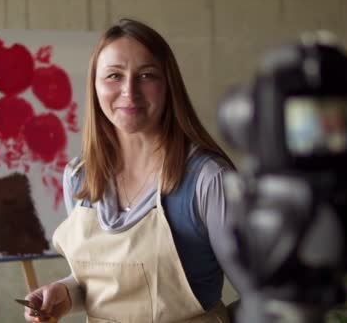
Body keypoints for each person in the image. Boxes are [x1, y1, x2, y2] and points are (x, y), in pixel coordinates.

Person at [23, 18, 239, 323]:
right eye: (114, 76)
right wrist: (66, 293)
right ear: (95, 86)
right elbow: (104, 284)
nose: (129, 91)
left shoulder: (209, 180)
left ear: (168, 86)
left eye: (147, 75)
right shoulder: (79, 177)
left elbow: (264, 296)